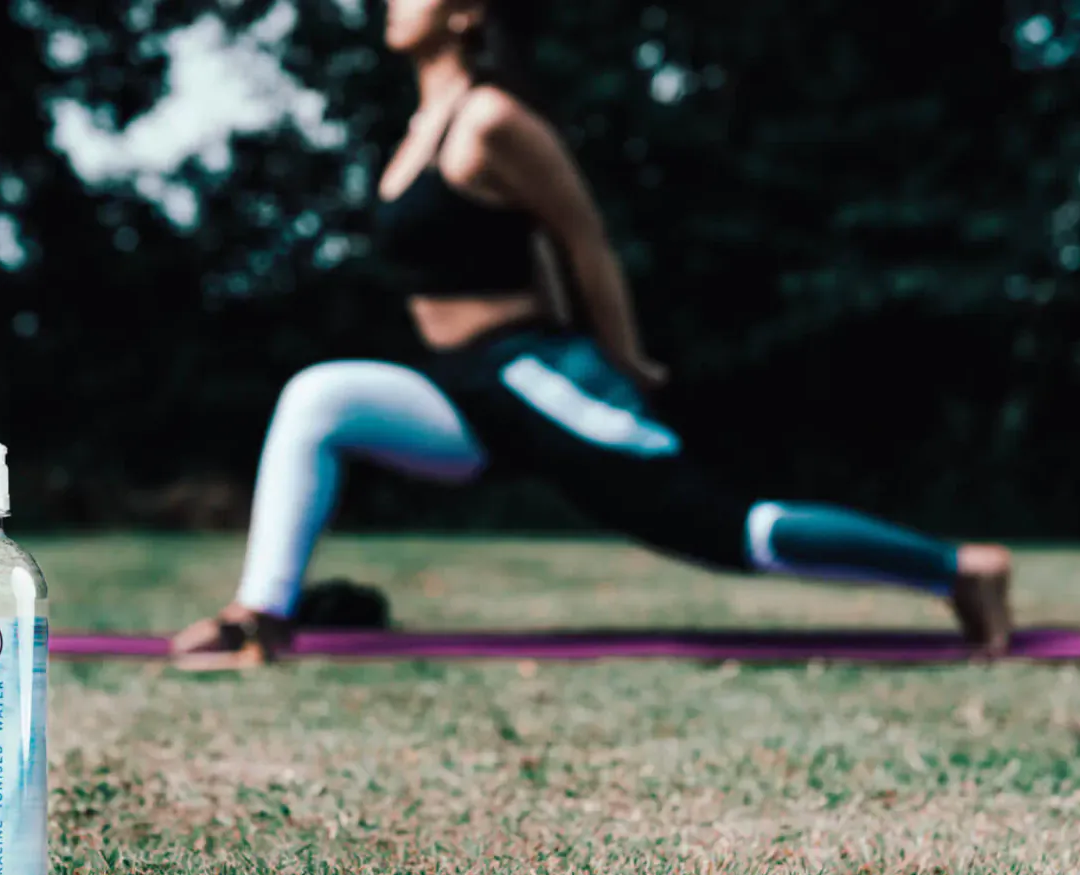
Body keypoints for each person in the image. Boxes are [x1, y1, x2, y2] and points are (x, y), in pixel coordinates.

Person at [170, 0, 1014, 667]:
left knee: (723, 529)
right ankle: (264, 619)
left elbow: (583, 240)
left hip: (533, 375)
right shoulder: (420, 129)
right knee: (322, 396)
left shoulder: (493, 119)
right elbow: (524, 246)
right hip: (461, 387)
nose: (392, 3)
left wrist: (624, 359)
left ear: (468, 12)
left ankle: (960, 570)